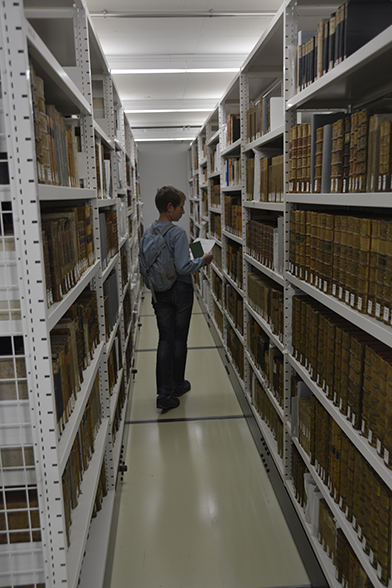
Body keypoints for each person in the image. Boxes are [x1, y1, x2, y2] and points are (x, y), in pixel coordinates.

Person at [141, 185, 213, 411]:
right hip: (180, 292)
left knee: (164, 340)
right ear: (170, 207)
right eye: (181, 207)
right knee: (179, 340)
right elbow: (183, 267)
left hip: (159, 292)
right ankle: (178, 384)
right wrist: (204, 259)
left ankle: (163, 393)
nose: (183, 212)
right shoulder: (178, 233)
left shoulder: (148, 231)